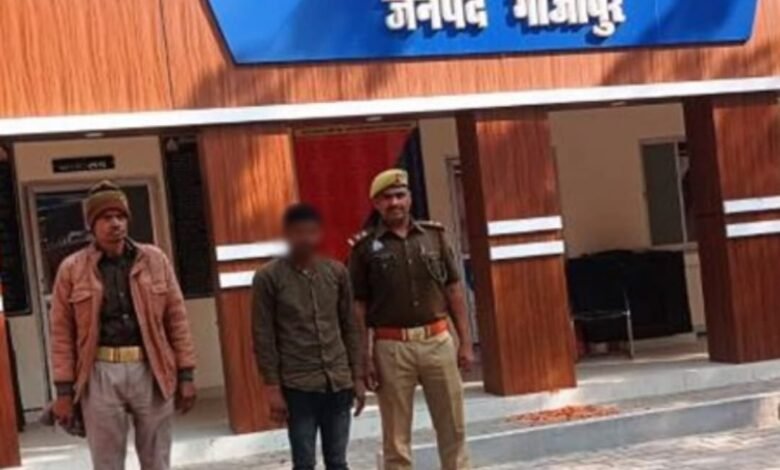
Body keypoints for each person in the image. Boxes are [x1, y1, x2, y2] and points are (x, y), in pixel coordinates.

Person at [50, 181, 197, 470]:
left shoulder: (155, 260)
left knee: (157, 460)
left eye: (120, 216)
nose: (115, 223)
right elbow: (61, 334)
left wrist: (186, 374)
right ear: (92, 224)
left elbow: (177, 320)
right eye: (106, 217)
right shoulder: (72, 269)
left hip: (151, 369)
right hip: (100, 372)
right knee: (107, 463)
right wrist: (64, 391)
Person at [348, 169, 475, 470]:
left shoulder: (434, 236)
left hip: (438, 342)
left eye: (399, 195)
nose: (394, 202)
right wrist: (364, 358)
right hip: (391, 348)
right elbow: (358, 307)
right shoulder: (364, 248)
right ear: (376, 204)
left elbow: (454, 290)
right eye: (386, 198)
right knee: (396, 437)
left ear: (410, 198)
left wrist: (466, 342)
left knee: (453, 428)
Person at [252, 203, 365, 470]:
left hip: (337, 382)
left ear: (319, 233)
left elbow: (350, 326)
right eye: (298, 232)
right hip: (298, 385)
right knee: (304, 463)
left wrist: (358, 377)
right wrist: (272, 388)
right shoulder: (268, 277)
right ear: (287, 234)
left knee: (338, 461)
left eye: (311, 231)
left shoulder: (336, 272)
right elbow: (263, 335)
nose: (305, 238)